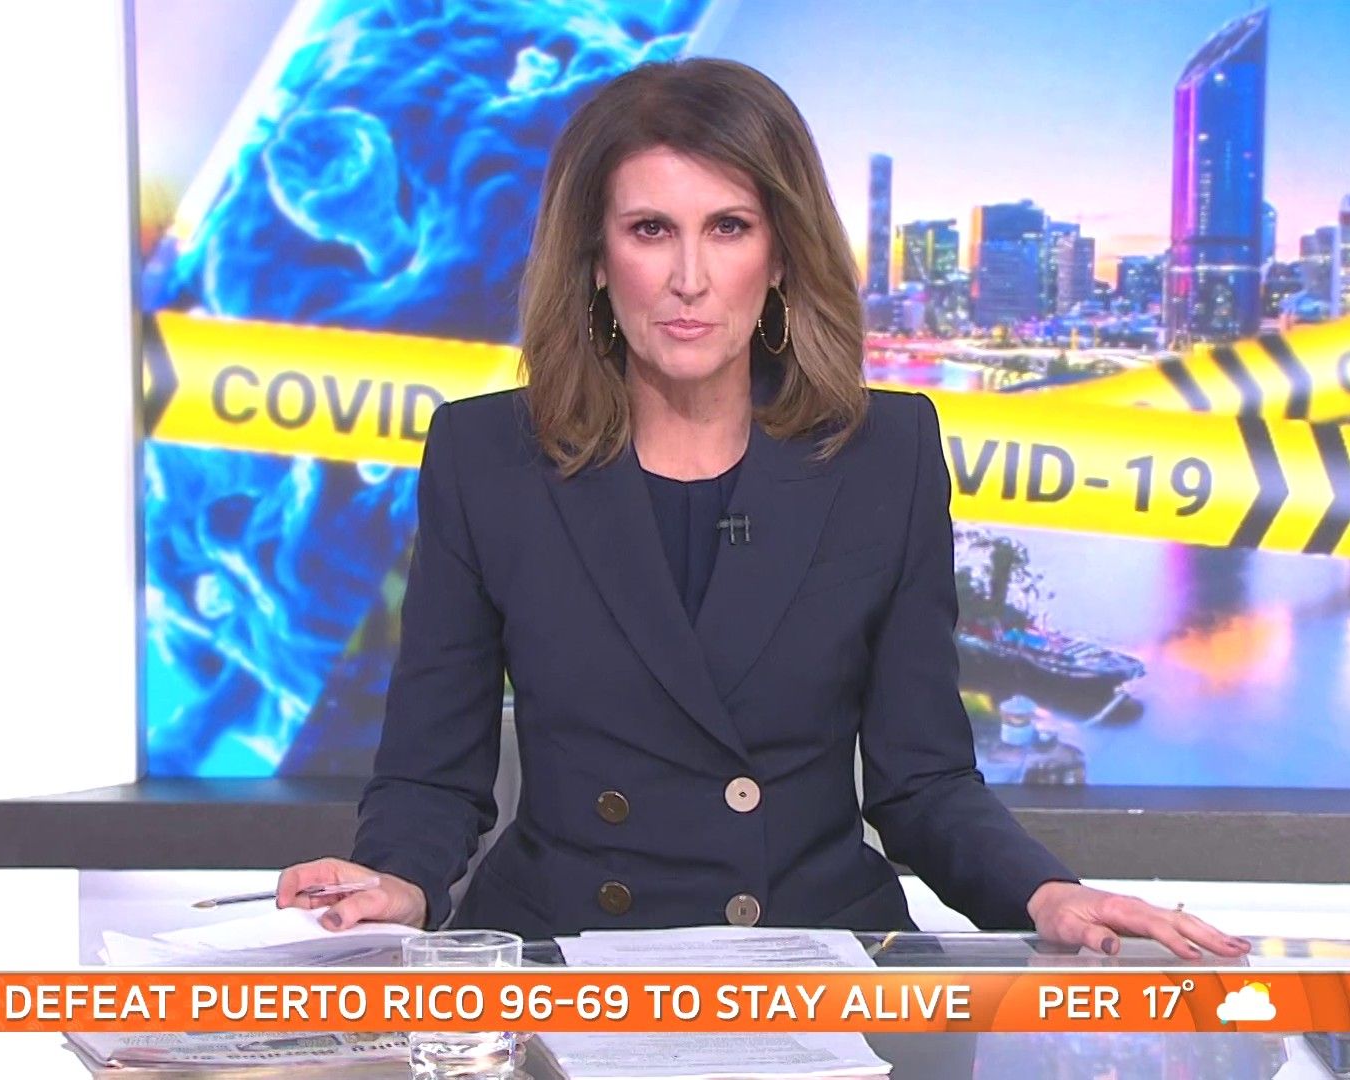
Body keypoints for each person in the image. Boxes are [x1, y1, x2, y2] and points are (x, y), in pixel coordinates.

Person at [279, 58, 1249, 961]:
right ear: (595, 257)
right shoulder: (486, 457)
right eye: (650, 230)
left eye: (729, 228)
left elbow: (923, 782)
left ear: (781, 253)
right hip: (571, 958)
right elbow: (432, 772)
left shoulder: (885, 453)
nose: (689, 278)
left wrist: (1044, 893)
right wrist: (399, 880)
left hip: (812, 957)